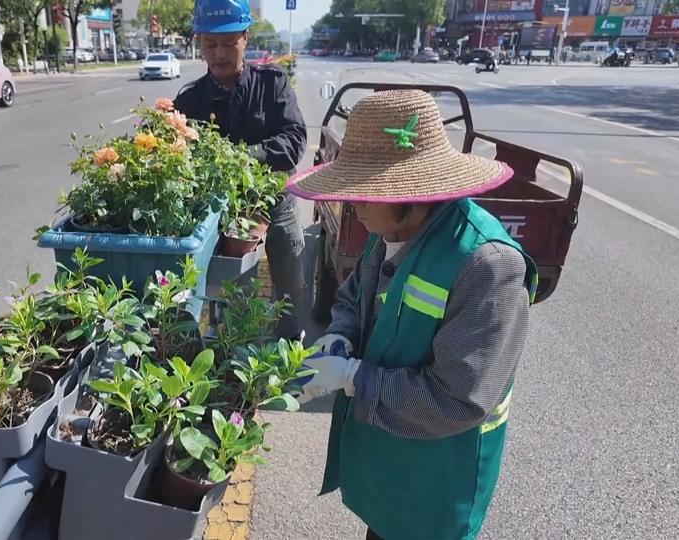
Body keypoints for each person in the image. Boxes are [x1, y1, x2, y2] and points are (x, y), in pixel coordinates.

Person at [288, 90, 538, 540]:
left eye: (364, 193)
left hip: (439, 472)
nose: (352, 205)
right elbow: (352, 298)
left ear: (413, 191)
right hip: (392, 454)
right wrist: (340, 337)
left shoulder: (487, 264)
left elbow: (457, 399)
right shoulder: (389, 230)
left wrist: (353, 377)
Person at [174, 0, 308, 338]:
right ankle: (227, 345)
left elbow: (294, 140)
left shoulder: (271, 83)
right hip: (219, 204)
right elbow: (175, 154)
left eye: (228, 43)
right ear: (200, 44)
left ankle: (290, 343)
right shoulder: (190, 100)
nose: (218, 53)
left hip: (273, 196)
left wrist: (243, 156)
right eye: (210, 44)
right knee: (227, 283)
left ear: (245, 39)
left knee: (290, 274)